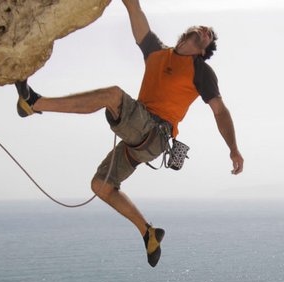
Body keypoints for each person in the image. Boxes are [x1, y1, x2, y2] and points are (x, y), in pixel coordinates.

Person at [13, 0, 244, 267]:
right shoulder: (156, 52)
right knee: (100, 186)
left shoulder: (201, 71)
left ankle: (34, 103)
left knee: (113, 96)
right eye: (203, 28)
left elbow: (220, 111)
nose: (205, 30)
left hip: (154, 133)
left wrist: (233, 149)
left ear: (205, 50)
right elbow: (135, 9)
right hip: (139, 135)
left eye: (209, 35)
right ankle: (148, 233)